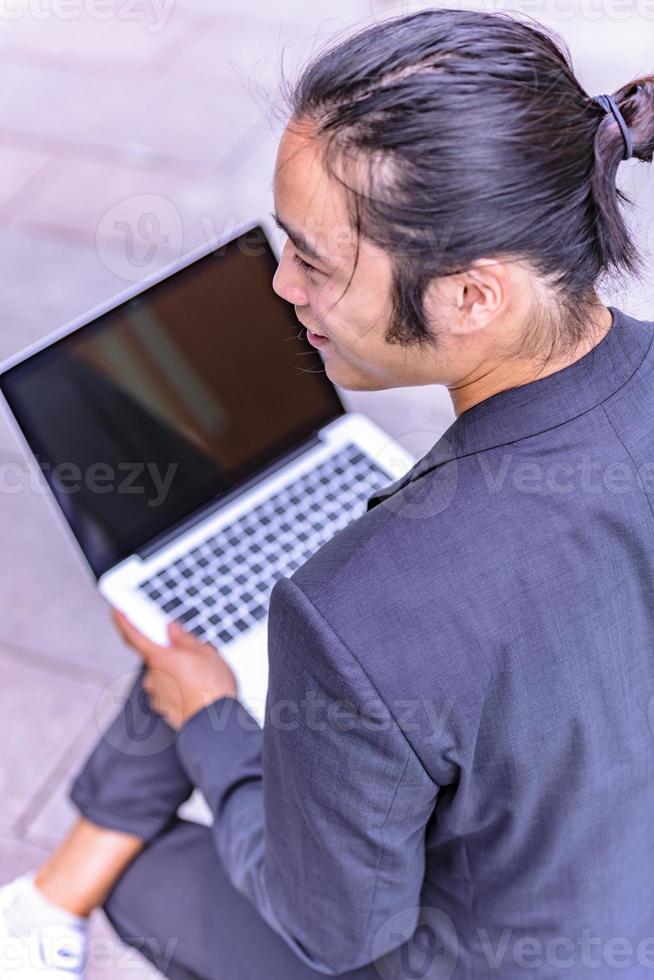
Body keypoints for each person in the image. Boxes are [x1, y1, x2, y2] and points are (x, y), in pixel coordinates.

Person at [1, 7, 654, 979]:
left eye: (313, 260)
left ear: (474, 295)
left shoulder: (352, 607)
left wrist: (217, 724)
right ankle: (55, 884)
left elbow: (338, 932)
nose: (281, 288)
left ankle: (62, 888)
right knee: (197, 657)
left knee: (145, 862)